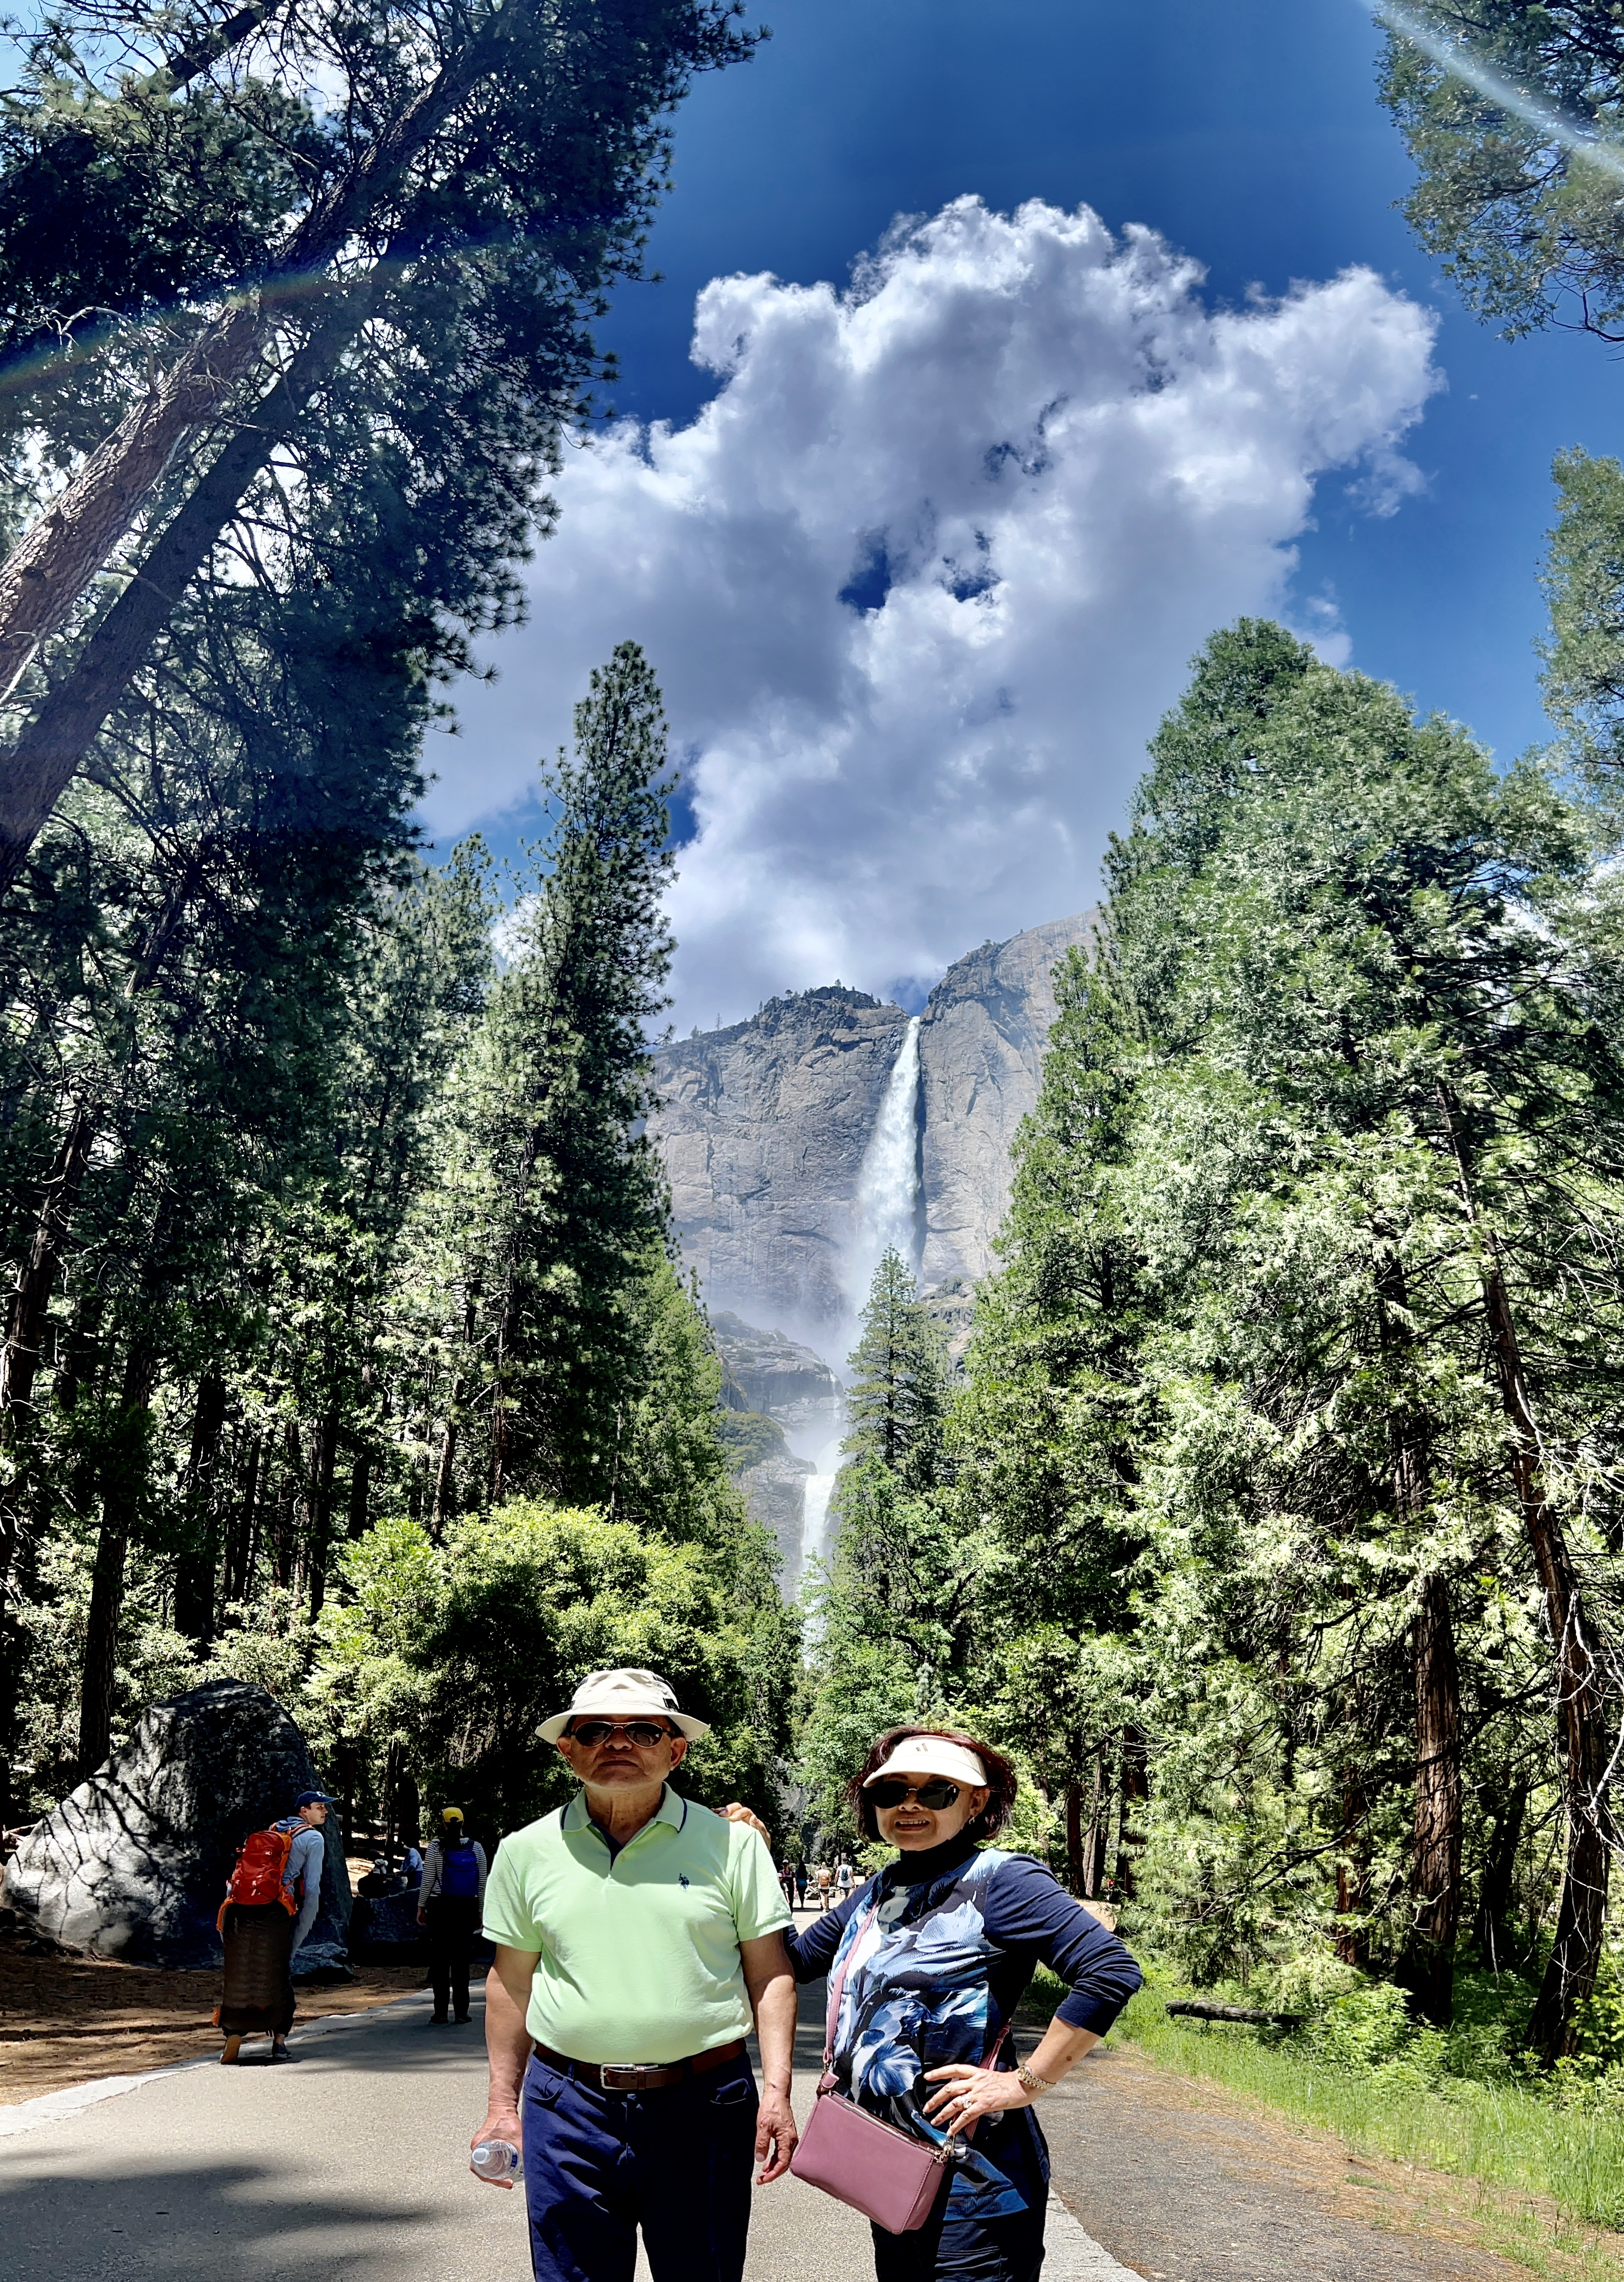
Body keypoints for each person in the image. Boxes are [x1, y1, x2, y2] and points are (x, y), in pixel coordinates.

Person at [788, 1727, 1142, 2282]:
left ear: (974, 1801)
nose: (910, 1803)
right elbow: (794, 1960)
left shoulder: (1001, 1880)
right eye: (892, 1790)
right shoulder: (880, 1889)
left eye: (936, 1791)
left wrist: (1024, 2083)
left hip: (973, 2188)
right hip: (894, 2170)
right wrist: (746, 1855)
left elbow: (1109, 1971)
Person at [218, 1788, 335, 2064]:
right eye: (320, 1807)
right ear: (303, 1811)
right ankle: (279, 2042)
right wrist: (303, 1928)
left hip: (239, 1911)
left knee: (242, 1972)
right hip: (276, 1912)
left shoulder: (272, 1831)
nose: (325, 1812)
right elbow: (314, 1887)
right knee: (279, 1973)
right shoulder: (313, 1838)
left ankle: (234, 2032)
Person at [417, 1806, 488, 2024]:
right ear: (463, 1823)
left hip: (441, 1908)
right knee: (461, 1961)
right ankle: (462, 2013)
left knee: (440, 1961)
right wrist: (480, 1911)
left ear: (444, 1824)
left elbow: (428, 1879)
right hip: (466, 1908)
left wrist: (421, 1906)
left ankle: (440, 2013)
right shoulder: (477, 1849)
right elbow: (482, 1883)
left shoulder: (436, 1847)